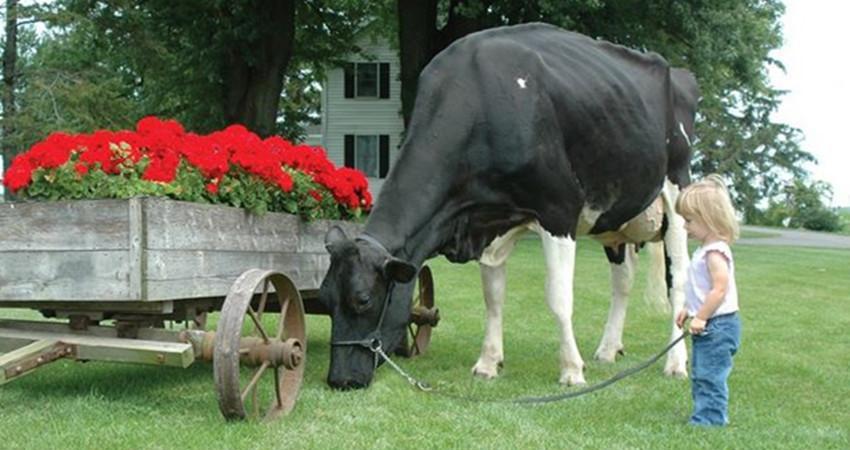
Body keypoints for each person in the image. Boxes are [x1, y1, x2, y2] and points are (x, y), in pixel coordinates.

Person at [675, 174, 741, 426]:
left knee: (711, 374)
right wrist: (689, 310)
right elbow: (702, 289)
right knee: (701, 372)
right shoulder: (705, 250)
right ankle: (704, 413)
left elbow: (719, 290)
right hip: (711, 324)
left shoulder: (715, 253)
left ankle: (710, 420)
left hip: (718, 326)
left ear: (710, 219)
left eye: (689, 220)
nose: (685, 226)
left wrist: (702, 316)